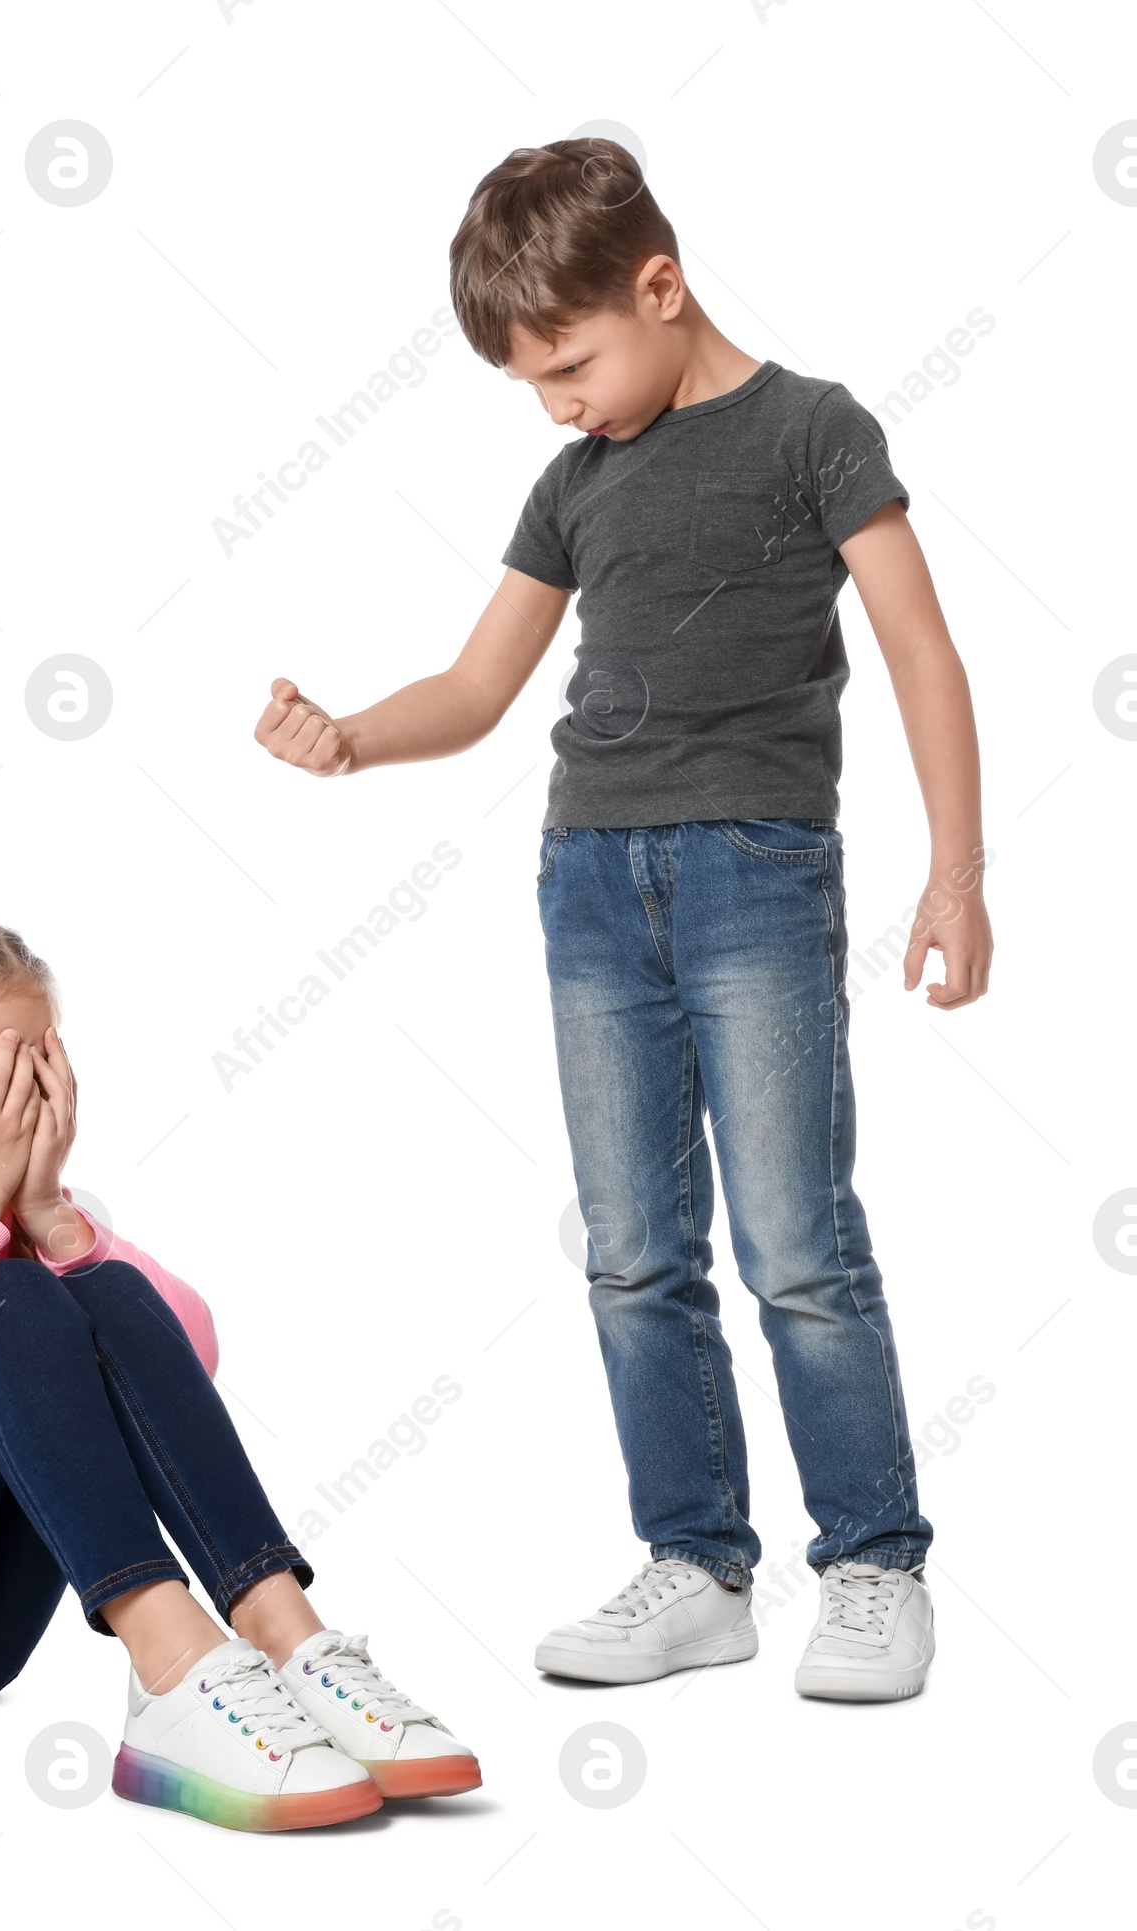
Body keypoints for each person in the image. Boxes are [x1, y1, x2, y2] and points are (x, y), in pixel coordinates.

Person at [253, 138, 993, 1702]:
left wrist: (956, 872)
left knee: (798, 1239)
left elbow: (924, 648)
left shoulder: (816, 430)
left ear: (661, 287)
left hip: (757, 874)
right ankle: (700, 1566)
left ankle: (871, 1562)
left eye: (571, 364)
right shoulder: (575, 480)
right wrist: (350, 735)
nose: (560, 403)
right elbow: (476, 684)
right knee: (634, 1250)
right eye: (531, 384)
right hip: (590, 881)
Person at [0, 909, 480, 1826]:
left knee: (93, 1289)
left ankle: (284, 1631)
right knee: (10, 1300)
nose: (9, 1103)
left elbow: (188, 1350)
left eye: (32, 1071)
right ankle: (176, 1663)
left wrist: (49, 1213)